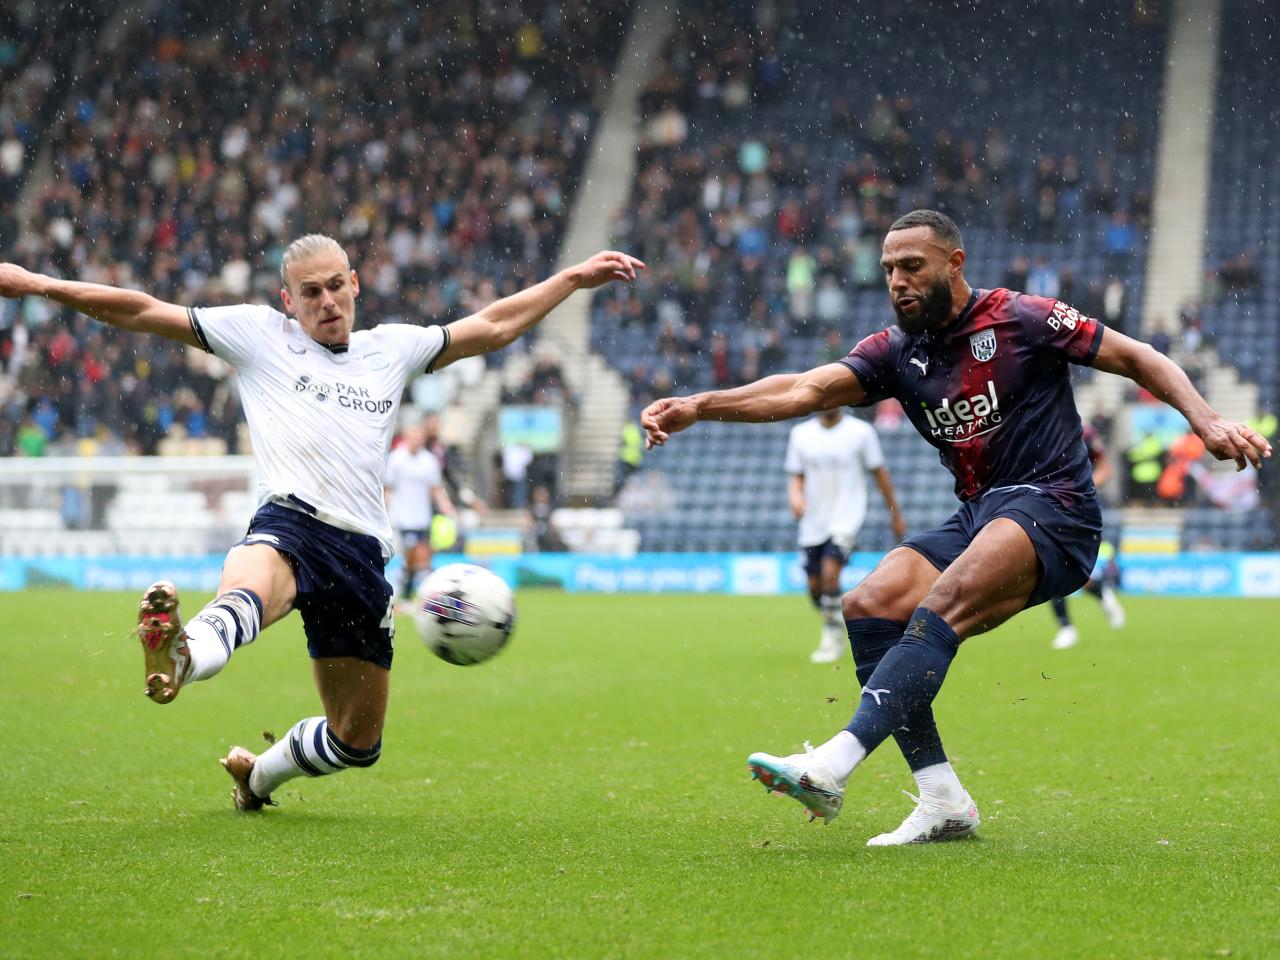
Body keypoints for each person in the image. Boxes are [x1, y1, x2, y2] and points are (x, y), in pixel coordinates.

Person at [641, 209, 1269, 845]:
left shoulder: (1022, 318)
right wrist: (701, 405)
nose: (898, 281)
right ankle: (942, 798)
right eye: (889, 269)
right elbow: (804, 389)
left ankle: (832, 764)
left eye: (913, 266)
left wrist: (1207, 421)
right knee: (870, 603)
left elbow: (1137, 356)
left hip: (1056, 506)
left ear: (954, 263)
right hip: (981, 512)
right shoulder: (896, 351)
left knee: (941, 603)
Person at [0, 237, 644, 811]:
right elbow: (142, 311)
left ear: (355, 283)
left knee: (356, 740)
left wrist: (570, 279)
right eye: (310, 292)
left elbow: (493, 326)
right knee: (248, 595)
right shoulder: (258, 335)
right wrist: (36, 283)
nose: (327, 301)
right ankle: (182, 655)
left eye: (336, 285)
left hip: (361, 555)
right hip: (291, 523)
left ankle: (257, 777)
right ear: (288, 301)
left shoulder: (391, 349)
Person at [784, 408, 906, 663]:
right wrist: (795, 497)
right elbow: (796, 475)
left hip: (847, 517)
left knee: (830, 572)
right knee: (815, 587)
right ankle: (833, 616)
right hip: (813, 521)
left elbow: (880, 473)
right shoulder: (800, 434)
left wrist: (895, 513)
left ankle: (831, 637)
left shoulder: (861, 432)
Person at [1050, 422, 1124, 649]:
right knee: (1052, 567)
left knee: (1074, 572)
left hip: (1078, 509)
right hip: (1048, 506)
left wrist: (1083, 488)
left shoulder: (1086, 432)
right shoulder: (1039, 426)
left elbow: (1105, 468)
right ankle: (1066, 627)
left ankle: (1100, 594)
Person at [384, 421, 454, 610]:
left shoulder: (429, 461)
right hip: (402, 518)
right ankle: (408, 597)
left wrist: (447, 508)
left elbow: (436, 489)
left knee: (420, 560)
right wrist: (384, 511)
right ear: (406, 438)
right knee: (415, 557)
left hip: (422, 518)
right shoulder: (396, 459)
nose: (415, 440)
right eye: (412, 437)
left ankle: (407, 598)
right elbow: (387, 488)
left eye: (418, 437)